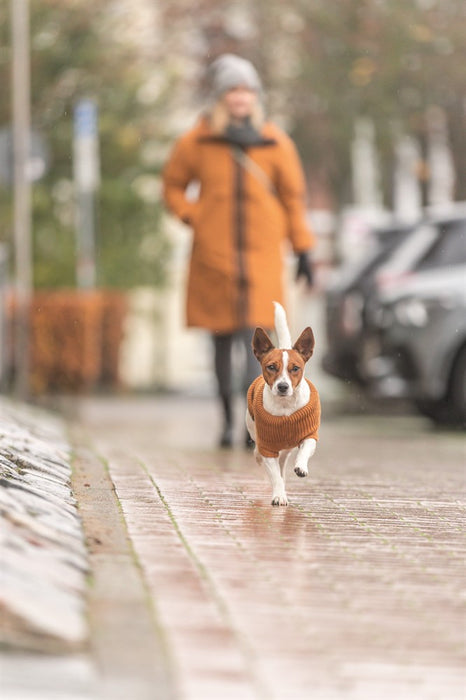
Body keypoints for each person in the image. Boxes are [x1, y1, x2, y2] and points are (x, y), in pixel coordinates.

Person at [162, 53, 316, 448]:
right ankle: (228, 420)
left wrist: (304, 250)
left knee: (260, 345)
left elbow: (293, 198)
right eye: (232, 90)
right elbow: (173, 186)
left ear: (256, 96)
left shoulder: (275, 142)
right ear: (220, 96)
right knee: (220, 342)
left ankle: (256, 421)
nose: (239, 98)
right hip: (213, 258)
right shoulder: (196, 141)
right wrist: (193, 216)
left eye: (246, 90)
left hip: (262, 258)